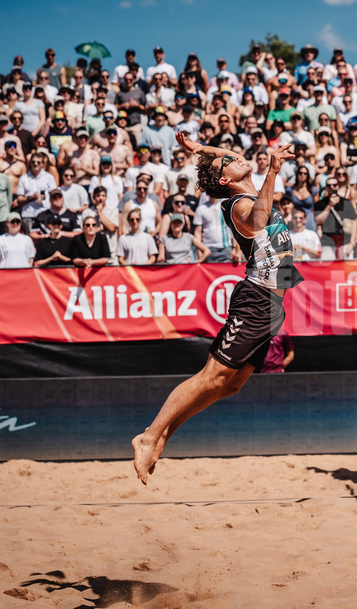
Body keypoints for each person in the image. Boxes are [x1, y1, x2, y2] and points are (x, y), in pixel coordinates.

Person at [132, 132, 302, 485]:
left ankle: (165, 433)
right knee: (211, 377)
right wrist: (272, 170)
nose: (236, 156)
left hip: (272, 305)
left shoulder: (243, 181)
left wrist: (200, 149)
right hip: (256, 298)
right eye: (228, 162)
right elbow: (258, 220)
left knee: (231, 385)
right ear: (226, 180)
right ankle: (148, 436)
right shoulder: (240, 204)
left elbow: (230, 156)